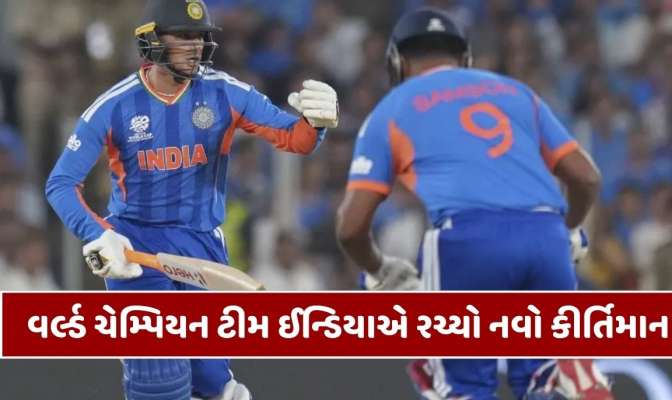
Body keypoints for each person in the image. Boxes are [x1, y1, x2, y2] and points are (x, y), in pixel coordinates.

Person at [45, 1, 338, 399]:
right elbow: (61, 183)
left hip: (201, 244)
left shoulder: (225, 92)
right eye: (183, 36)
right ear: (152, 41)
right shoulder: (115, 106)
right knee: (157, 375)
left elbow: (294, 139)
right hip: (136, 247)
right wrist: (99, 234)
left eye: (200, 37)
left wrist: (315, 125)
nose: (195, 46)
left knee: (212, 382)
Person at [335, 8, 608, 400]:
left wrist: (379, 269)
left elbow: (350, 227)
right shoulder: (517, 93)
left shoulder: (391, 110)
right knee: (539, 379)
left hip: (467, 240)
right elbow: (587, 177)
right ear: (464, 57)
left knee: (456, 387)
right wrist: (568, 229)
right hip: (546, 236)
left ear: (397, 62)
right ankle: (558, 381)